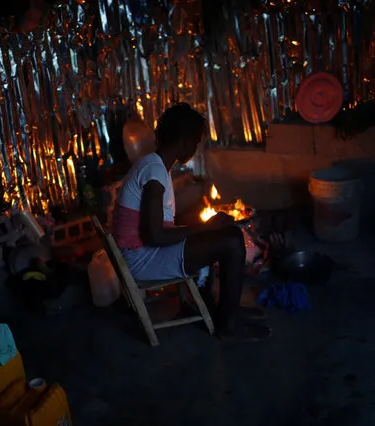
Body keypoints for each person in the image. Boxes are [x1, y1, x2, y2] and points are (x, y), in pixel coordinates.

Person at [111, 103, 271, 341]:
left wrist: (202, 229)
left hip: (143, 252)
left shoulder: (153, 165)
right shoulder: (154, 174)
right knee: (232, 241)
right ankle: (228, 324)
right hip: (143, 260)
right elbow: (155, 236)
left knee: (217, 235)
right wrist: (205, 227)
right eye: (195, 143)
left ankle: (224, 309)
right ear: (185, 142)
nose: (195, 148)